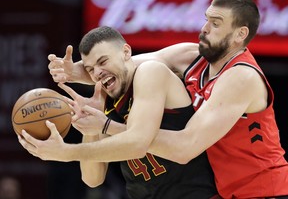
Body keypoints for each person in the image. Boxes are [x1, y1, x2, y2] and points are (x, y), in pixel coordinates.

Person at [47, 0, 288, 198]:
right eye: (206, 20)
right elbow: (124, 66)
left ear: (240, 34)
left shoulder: (241, 78)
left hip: (264, 189)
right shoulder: (188, 55)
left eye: (216, 23)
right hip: (224, 191)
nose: (204, 27)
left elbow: (184, 147)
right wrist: (75, 71)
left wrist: (106, 126)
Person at [18, 26, 218, 199]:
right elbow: (93, 179)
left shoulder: (151, 72)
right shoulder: (106, 100)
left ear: (126, 52)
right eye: (90, 69)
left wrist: (66, 151)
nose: (97, 73)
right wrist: (90, 130)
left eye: (103, 61)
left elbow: (138, 142)